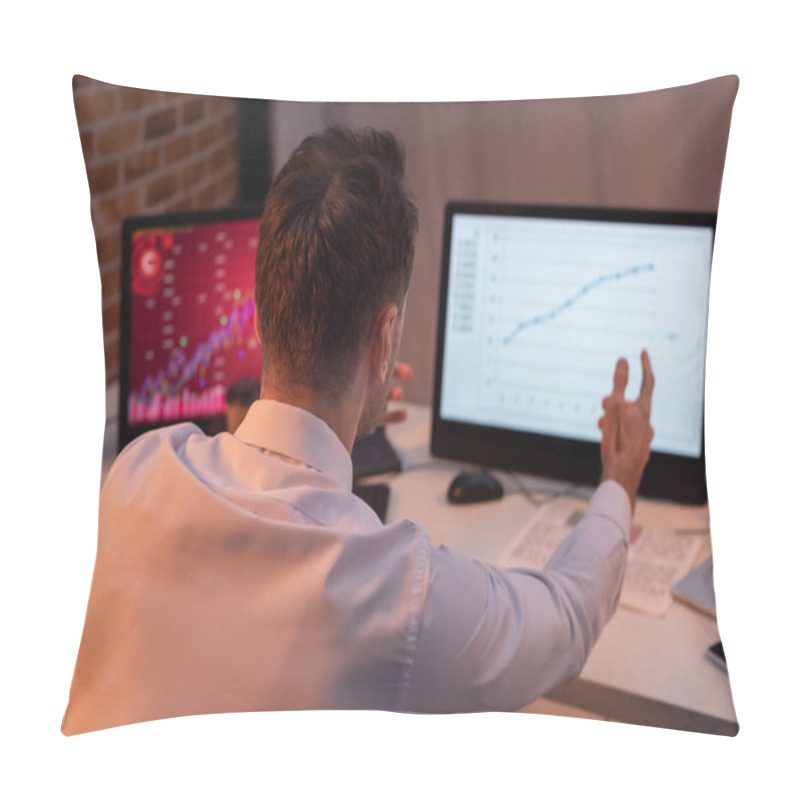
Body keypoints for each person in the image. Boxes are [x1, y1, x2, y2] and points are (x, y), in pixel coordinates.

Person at [61, 126, 654, 735]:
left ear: (262, 314)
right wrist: (620, 482)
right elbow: (567, 616)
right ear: (383, 338)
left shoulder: (134, 474)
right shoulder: (399, 595)